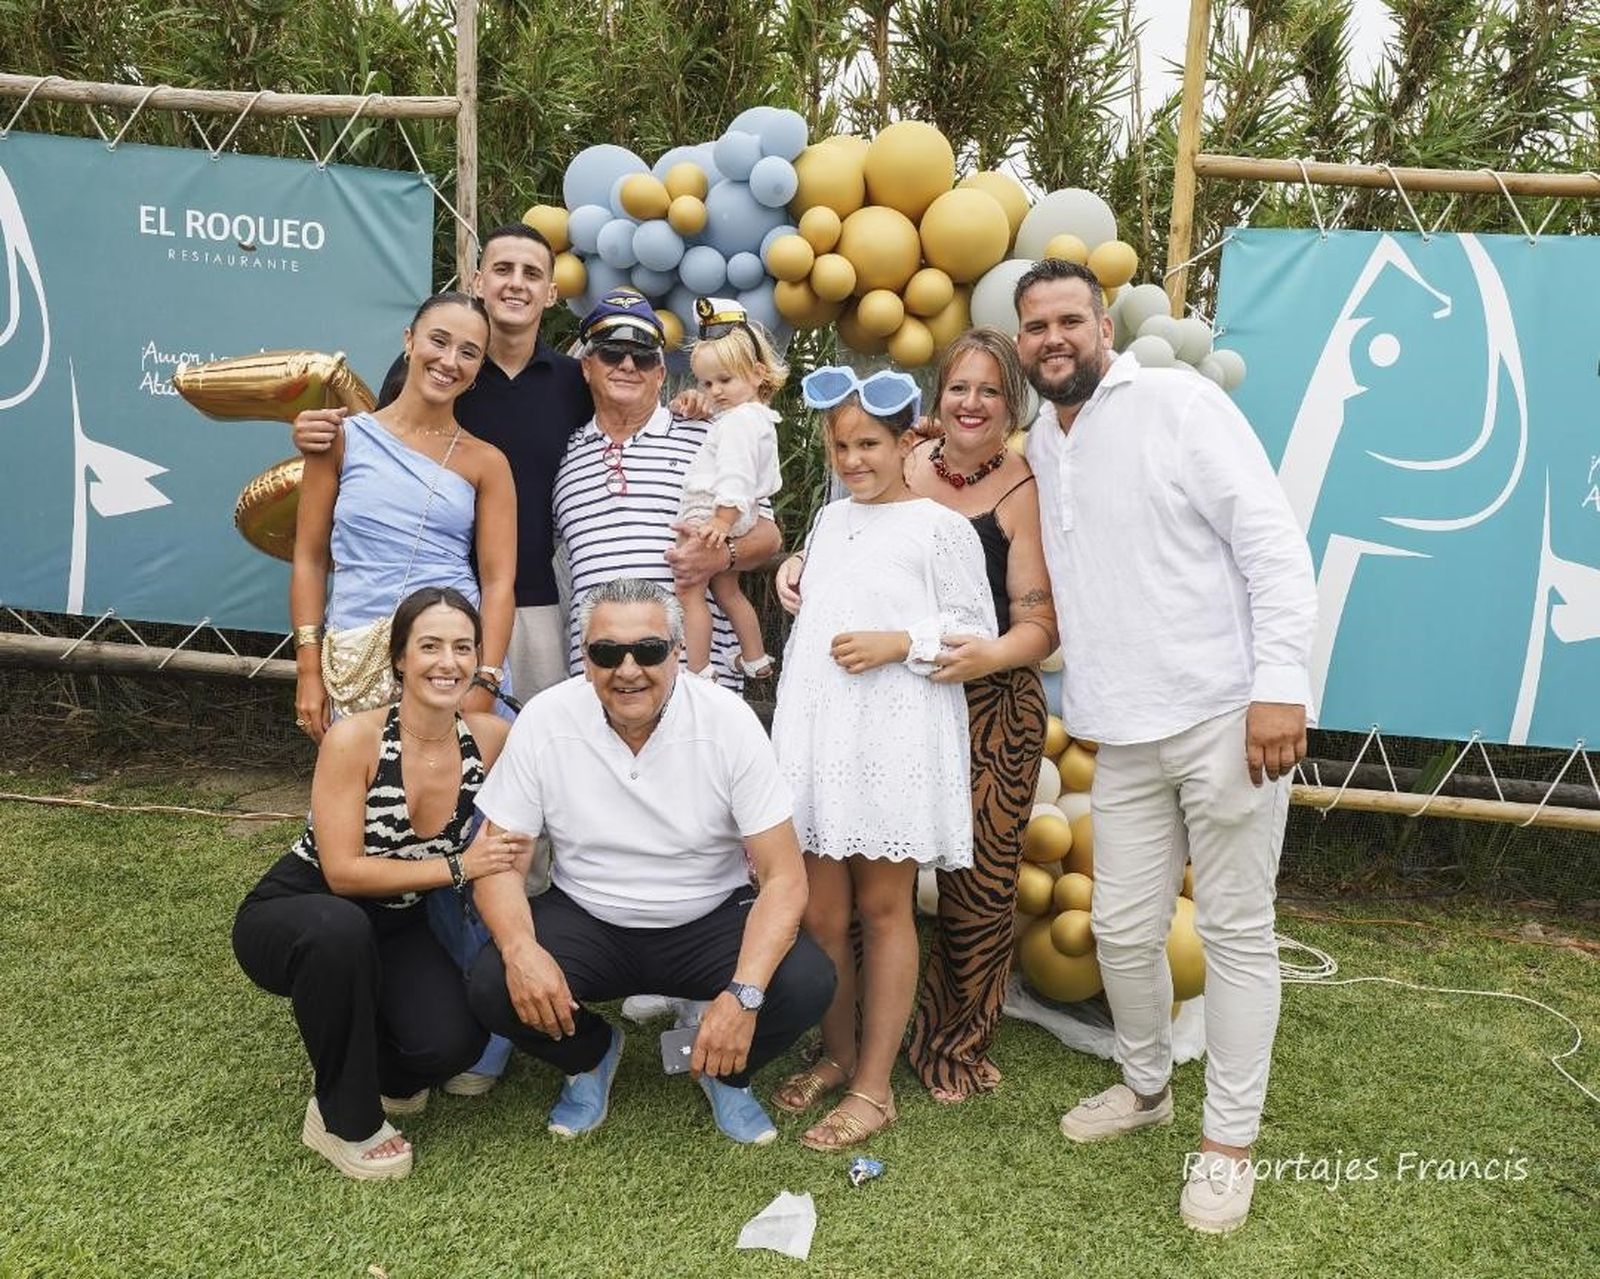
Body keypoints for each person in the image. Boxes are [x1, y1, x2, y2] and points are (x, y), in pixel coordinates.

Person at [1014, 258, 1316, 1233]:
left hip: (1226, 715)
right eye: (1036, 326)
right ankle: (1145, 1088)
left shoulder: (1178, 403)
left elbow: (1270, 541)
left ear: (1103, 325)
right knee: (1120, 930)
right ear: (1021, 342)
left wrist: (1279, 686)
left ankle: (1226, 1149)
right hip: (1122, 730)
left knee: (1232, 934)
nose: (1053, 338)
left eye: (1069, 320)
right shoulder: (1044, 440)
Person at [461, 576, 835, 1145]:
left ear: (678, 654)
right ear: (585, 660)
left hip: (710, 914)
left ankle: (716, 1065)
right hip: (588, 912)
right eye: (607, 652)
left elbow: (784, 878)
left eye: (649, 650)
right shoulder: (545, 718)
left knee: (806, 981)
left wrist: (744, 996)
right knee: (493, 981)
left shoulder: (727, 721)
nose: (628, 669)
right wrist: (519, 951)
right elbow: (497, 861)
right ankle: (592, 1054)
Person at [767, 367, 997, 1151]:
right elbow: (828, 589)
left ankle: (874, 1085)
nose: (852, 458)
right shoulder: (831, 524)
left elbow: (977, 635)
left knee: (884, 907)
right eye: (840, 445)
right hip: (821, 729)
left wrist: (900, 643)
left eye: (868, 443)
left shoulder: (941, 528)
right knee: (822, 911)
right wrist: (791, 568)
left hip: (892, 731)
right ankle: (837, 1054)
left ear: (909, 442)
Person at [233, 588, 526, 1180]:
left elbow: (513, 843)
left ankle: (372, 1068)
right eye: (430, 646)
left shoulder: (491, 739)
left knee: (451, 1046)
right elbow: (342, 871)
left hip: (398, 918)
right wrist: (459, 867)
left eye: (463, 647)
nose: (448, 662)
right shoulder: (356, 738)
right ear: (400, 658)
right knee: (339, 928)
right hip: (304, 907)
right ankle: (343, 1119)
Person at [294, 223, 592, 704]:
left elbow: (624, 423)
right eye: (502, 269)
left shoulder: (575, 382)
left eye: (531, 273)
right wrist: (315, 434)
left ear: (552, 292)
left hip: (515, 606)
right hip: (369, 629)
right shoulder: (381, 408)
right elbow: (381, 453)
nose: (450, 361)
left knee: (508, 761)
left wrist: (695, 410)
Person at [290, 291, 515, 739]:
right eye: (439, 340)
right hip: (356, 659)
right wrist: (308, 670)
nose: (450, 360)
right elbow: (309, 561)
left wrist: (486, 678)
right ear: (409, 341)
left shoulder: (487, 462)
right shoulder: (340, 440)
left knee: (460, 799)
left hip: (452, 658)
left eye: (468, 353)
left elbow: (498, 582)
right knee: (358, 796)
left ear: (476, 373)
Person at [552, 289, 783, 684]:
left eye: (642, 356)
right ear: (587, 366)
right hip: (596, 679)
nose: (627, 365)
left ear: (659, 373)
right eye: (611, 352)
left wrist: (722, 554)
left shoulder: (711, 433)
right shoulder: (561, 451)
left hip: (696, 682)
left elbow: (768, 535)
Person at [676, 296, 785, 681]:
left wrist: (721, 523)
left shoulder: (738, 422)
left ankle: (699, 670)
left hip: (714, 514)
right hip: (737, 515)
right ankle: (754, 658)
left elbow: (736, 476)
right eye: (707, 382)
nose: (715, 391)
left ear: (757, 374)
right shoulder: (757, 418)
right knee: (727, 589)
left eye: (725, 380)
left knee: (689, 590)